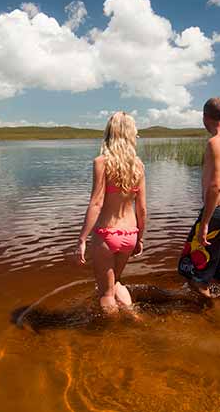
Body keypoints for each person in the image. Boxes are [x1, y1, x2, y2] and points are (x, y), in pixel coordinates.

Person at [75, 111, 146, 313]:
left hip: (107, 235)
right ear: (132, 134)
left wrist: (81, 239)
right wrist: (139, 238)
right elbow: (142, 209)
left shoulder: (101, 162)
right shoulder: (138, 165)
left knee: (105, 294)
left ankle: (112, 336)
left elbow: (96, 203)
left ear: (109, 133)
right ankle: (135, 318)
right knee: (116, 282)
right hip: (130, 234)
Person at [177, 98, 220, 298]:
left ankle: (210, 314)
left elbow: (215, 186)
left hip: (217, 212)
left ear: (205, 117)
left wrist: (205, 222)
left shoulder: (215, 143)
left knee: (194, 273)